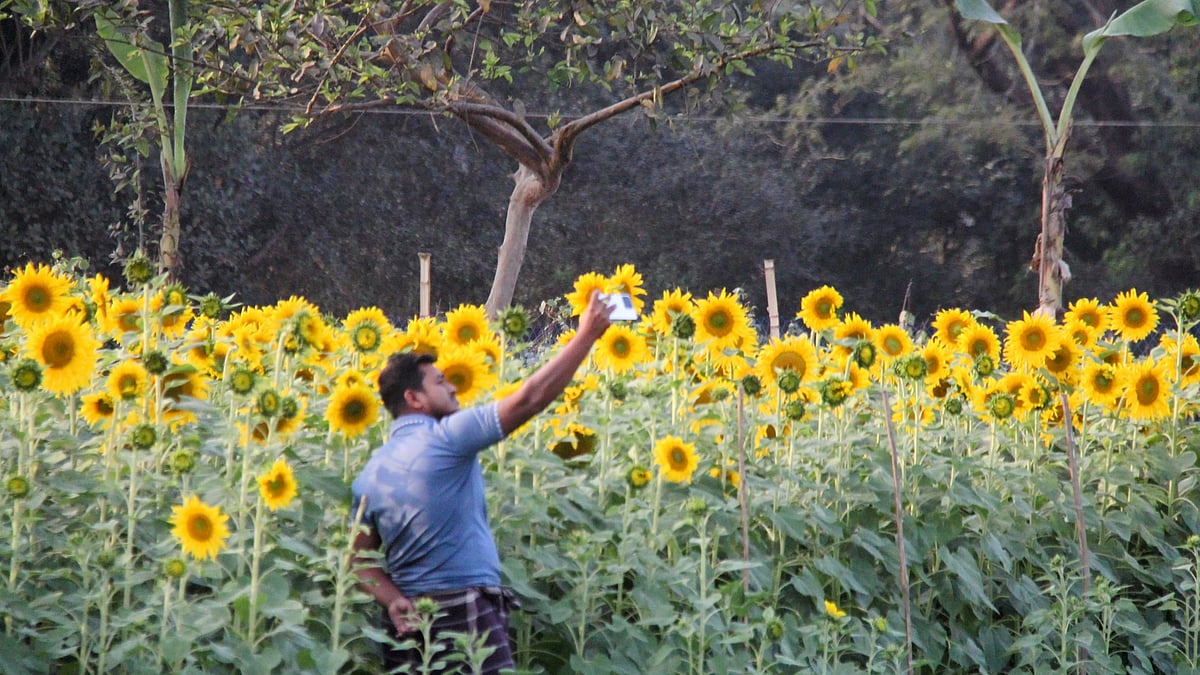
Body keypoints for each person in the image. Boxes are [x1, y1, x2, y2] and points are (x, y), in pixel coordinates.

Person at [350, 292, 612, 673]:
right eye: (440, 382)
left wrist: (393, 600)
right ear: (414, 398)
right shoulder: (447, 437)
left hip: (408, 625)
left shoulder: (370, 473)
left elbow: (358, 562)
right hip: (464, 609)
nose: (453, 388)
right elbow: (530, 399)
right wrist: (586, 335)